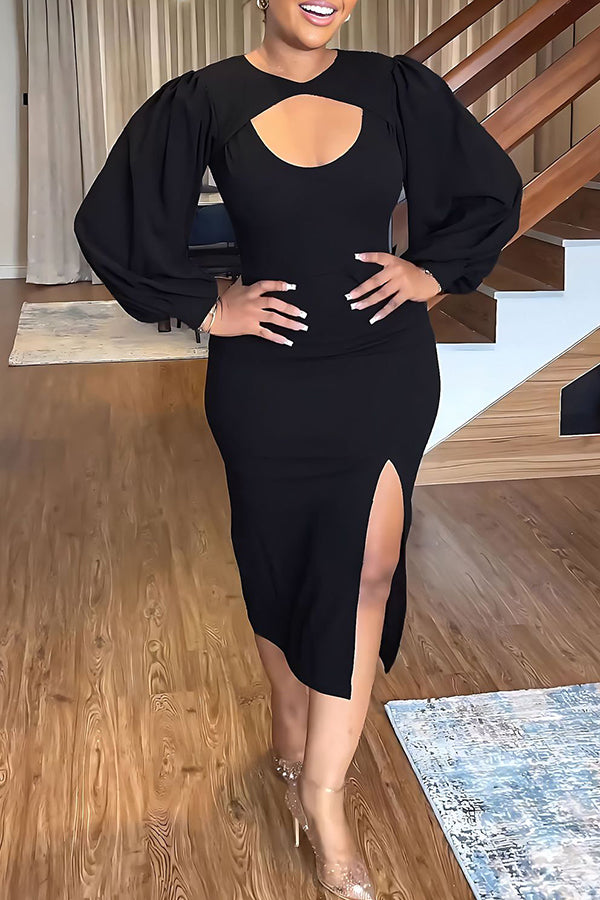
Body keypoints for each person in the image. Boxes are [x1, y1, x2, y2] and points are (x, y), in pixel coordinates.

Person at [73, 1, 523, 895]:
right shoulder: (204, 100)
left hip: (384, 367)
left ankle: (324, 796)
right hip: (265, 377)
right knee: (276, 559)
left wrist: (433, 272)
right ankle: (289, 717)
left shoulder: (396, 87)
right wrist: (206, 307)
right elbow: (111, 222)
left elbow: (490, 189)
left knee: (368, 569)